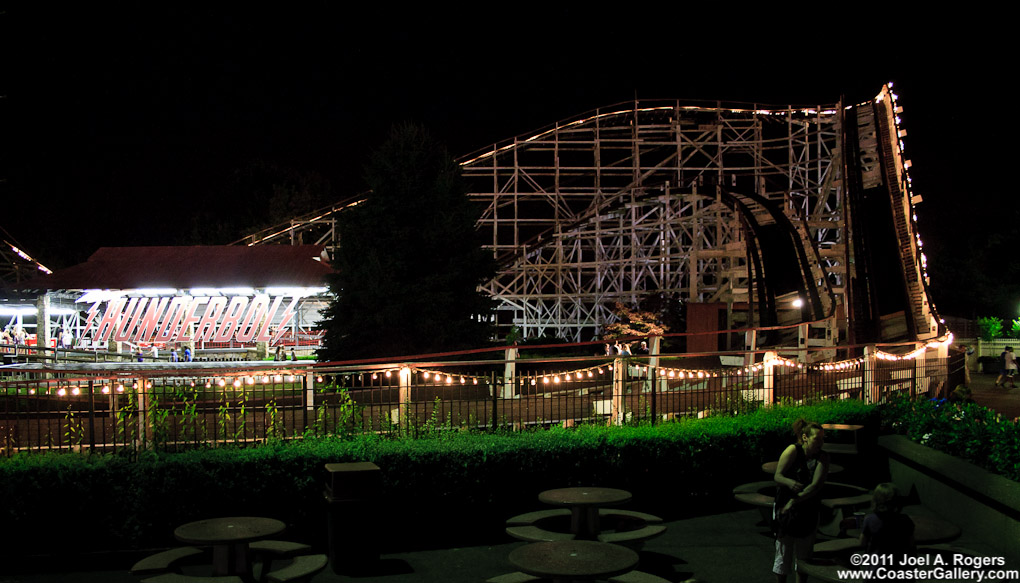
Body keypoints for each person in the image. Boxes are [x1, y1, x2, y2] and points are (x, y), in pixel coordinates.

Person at [772, 418, 830, 583]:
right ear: (805, 437)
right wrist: (790, 483)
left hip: (807, 509)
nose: (820, 443)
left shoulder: (823, 458)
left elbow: (815, 486)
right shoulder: (793, 450)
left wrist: (795, 501)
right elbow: (778, 475)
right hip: (786, 508)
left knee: (804, 554)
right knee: (783, 550)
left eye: (822, 439)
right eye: (816, 439)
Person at [859, 483, 915, 560]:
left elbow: (862, 543)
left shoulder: (869, 519)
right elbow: (911, 544)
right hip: (900, 566)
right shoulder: (905, 520)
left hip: (876, 567)